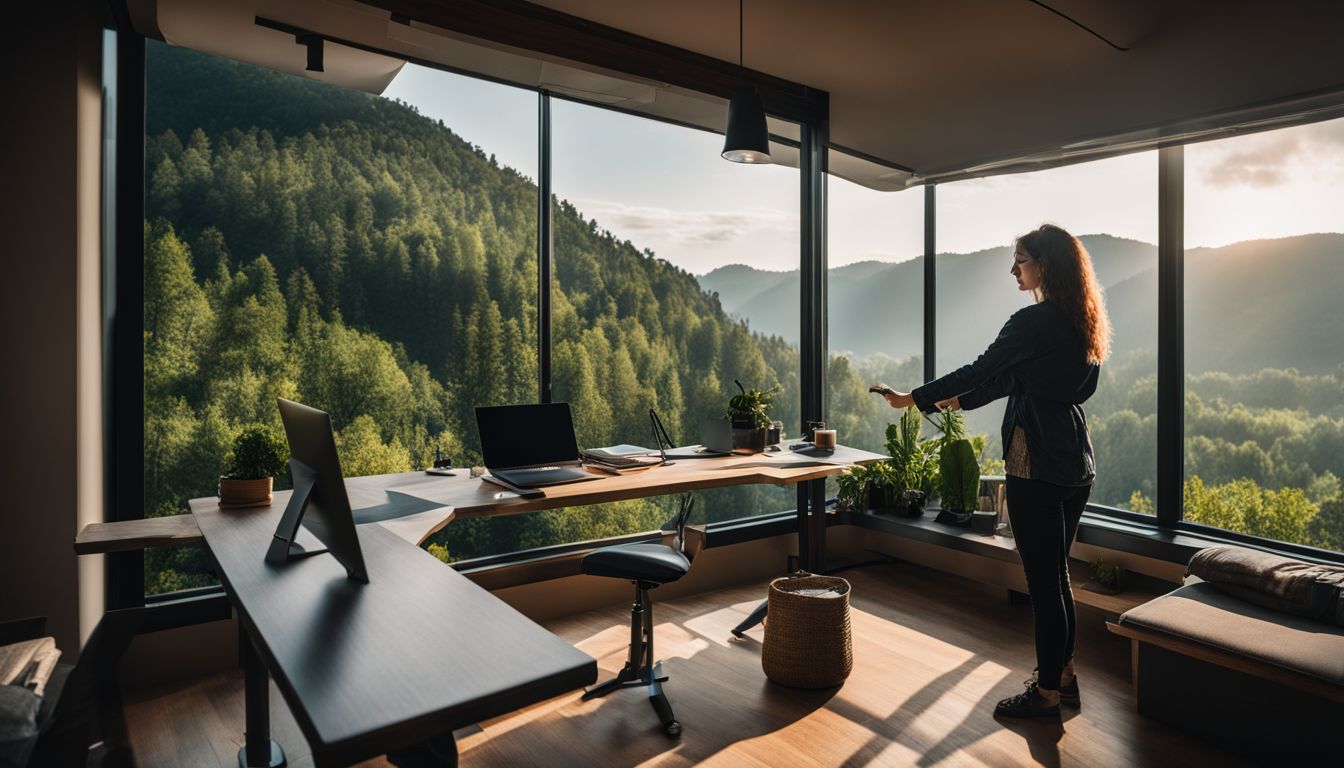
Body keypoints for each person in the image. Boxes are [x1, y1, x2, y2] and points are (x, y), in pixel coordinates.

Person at [880, 223, 1110, 719]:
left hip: (1036, 464)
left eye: (1020, 259)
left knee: (1043, 584)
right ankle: (1063, 678)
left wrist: (913, 398)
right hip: (1076, 462)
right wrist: (940, 404)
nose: (1013, 268)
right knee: (1057, 578)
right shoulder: (1081, 322)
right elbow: (1006, 382)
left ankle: (1047, 692)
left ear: (1044, 265)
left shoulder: (1031, 323)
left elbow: (981, 370)